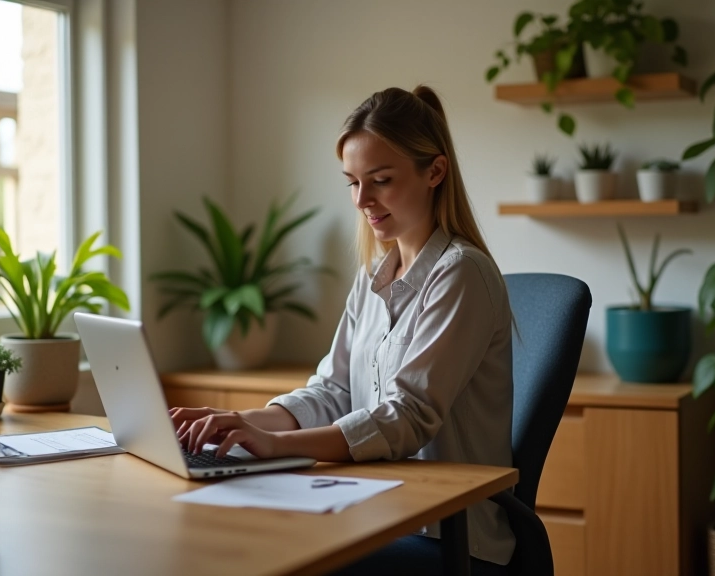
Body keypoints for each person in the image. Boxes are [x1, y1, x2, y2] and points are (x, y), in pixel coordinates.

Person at [170, 85, 514, 576]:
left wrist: (278, 446)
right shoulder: (373, 275)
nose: (362, 200)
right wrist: (239, 423)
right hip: (378, 507)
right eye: (352, 182)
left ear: (434, 172)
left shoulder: (462, 273)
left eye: (381, 180)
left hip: (450, 536)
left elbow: (409, 416)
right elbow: (333, 391)